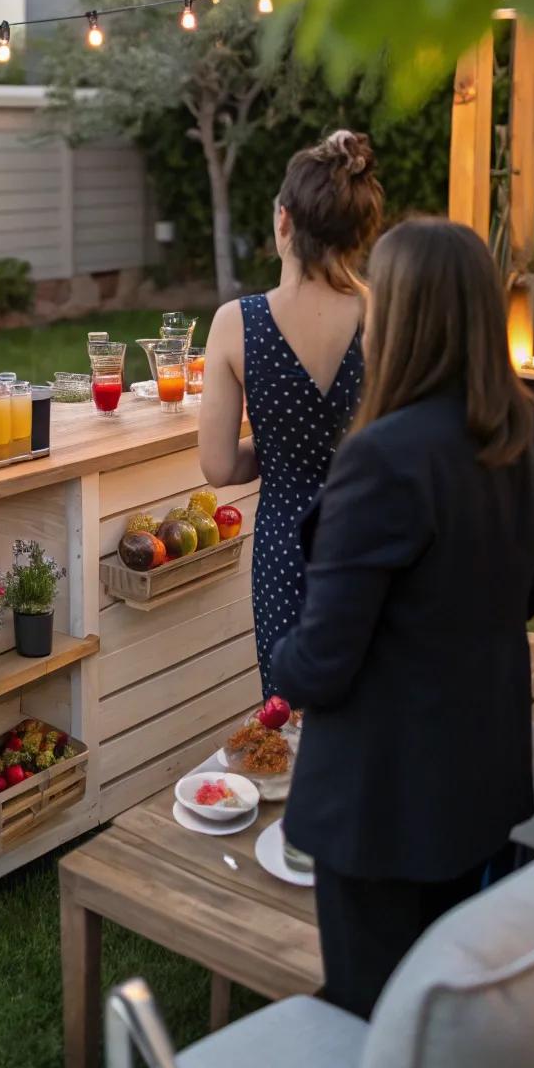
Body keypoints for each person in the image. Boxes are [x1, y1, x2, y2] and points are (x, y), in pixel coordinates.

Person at [270, 218, 534, 1021]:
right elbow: (532, 589)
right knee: (449, 1016)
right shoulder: (533, 433)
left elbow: (323, 661)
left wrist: (283, 665)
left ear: (397, 318)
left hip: (384, 802)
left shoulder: (386, 455)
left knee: (374, 1023)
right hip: (484, 776)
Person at [199, 130, 383, 693]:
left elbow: (221, 467)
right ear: (358, 234)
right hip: (367, 541)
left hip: (284, 549)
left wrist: (282, 449)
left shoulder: (236, 323)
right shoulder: (379, 313)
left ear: (284, 220)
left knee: (288, 722)